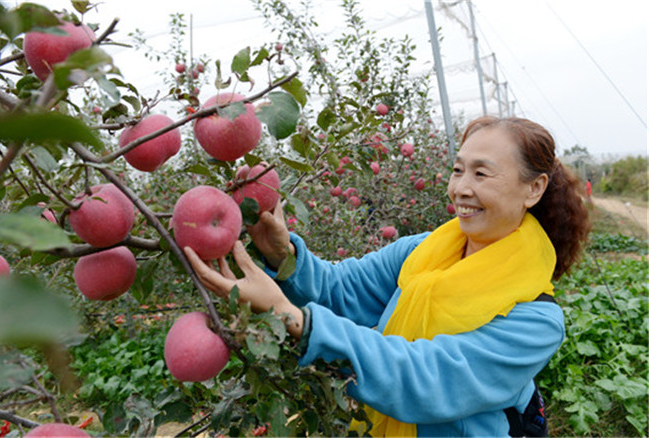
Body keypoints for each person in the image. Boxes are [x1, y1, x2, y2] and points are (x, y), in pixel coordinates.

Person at [184, 116, 591, 437]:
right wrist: (282, 254)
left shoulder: (536, 320)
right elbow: (341, 290)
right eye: (457, 170)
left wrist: (290, 316)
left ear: (534, 188)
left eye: (481, 175)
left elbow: (423, 378)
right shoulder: (423, 251)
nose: (461, 189)